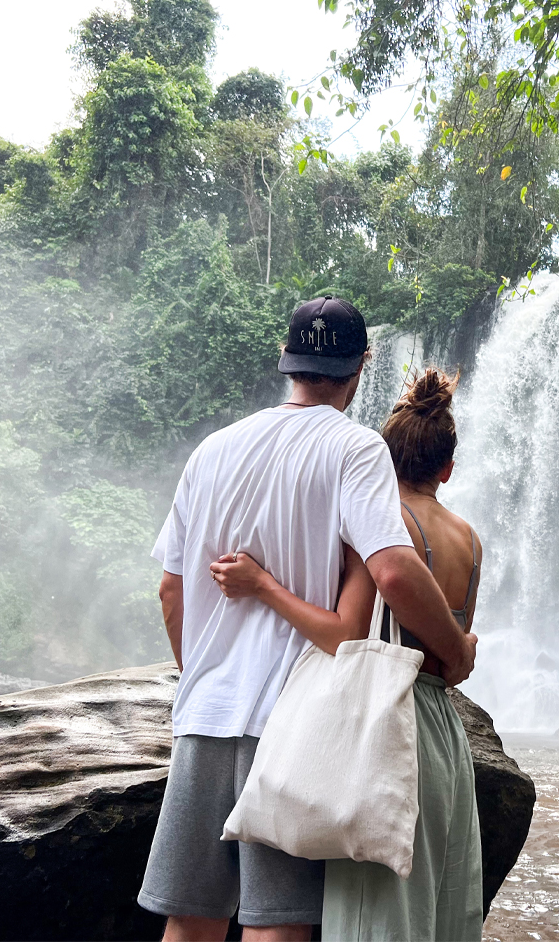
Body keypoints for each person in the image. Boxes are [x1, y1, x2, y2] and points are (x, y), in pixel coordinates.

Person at [137, 297, 478, 942]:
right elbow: (394, 572)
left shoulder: (212, 450)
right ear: (361, 366)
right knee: (278, 924)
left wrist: (199, 674)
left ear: (285, 359)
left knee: (191, 918)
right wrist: (456, 649)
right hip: (291, 720)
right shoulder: (355, 448)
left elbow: (170, 590)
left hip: (205, 712)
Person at [211, 367, 485, 942]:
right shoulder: (468, 537)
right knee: (437, 910)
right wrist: (460, 653)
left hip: (385, 721)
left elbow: (349, 628)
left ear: (383, 458)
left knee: (372, 915)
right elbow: (452, 649)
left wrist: (262, 585)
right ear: (447, 468)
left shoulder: (379, 528)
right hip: (443, 730)